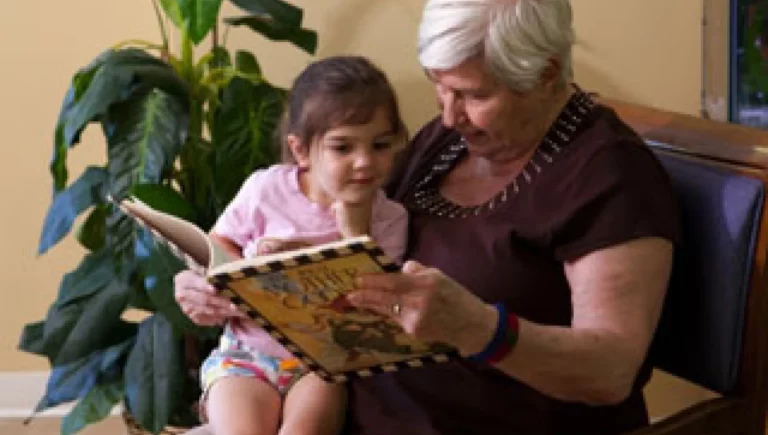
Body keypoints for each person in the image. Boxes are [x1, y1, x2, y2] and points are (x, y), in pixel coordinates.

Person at [176, 0, 680, 434]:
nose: (448, 115)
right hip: (334, 406)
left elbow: (610, 369)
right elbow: (349, 240)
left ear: (547, 73)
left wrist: (481, 328)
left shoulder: (610, 176)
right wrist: (222, 282)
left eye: (474, 94)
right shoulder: (449, 142)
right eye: (439, 87)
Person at [178, 55, 409, 435]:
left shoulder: (391, 218)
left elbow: (373, 312)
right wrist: (247, 275)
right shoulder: (266, 189)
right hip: (245, 355)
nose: (365, 161)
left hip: (321, 364)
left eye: (380, 144)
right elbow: (218, 244)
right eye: (342, 148)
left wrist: (354, 232)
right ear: (301, 151)